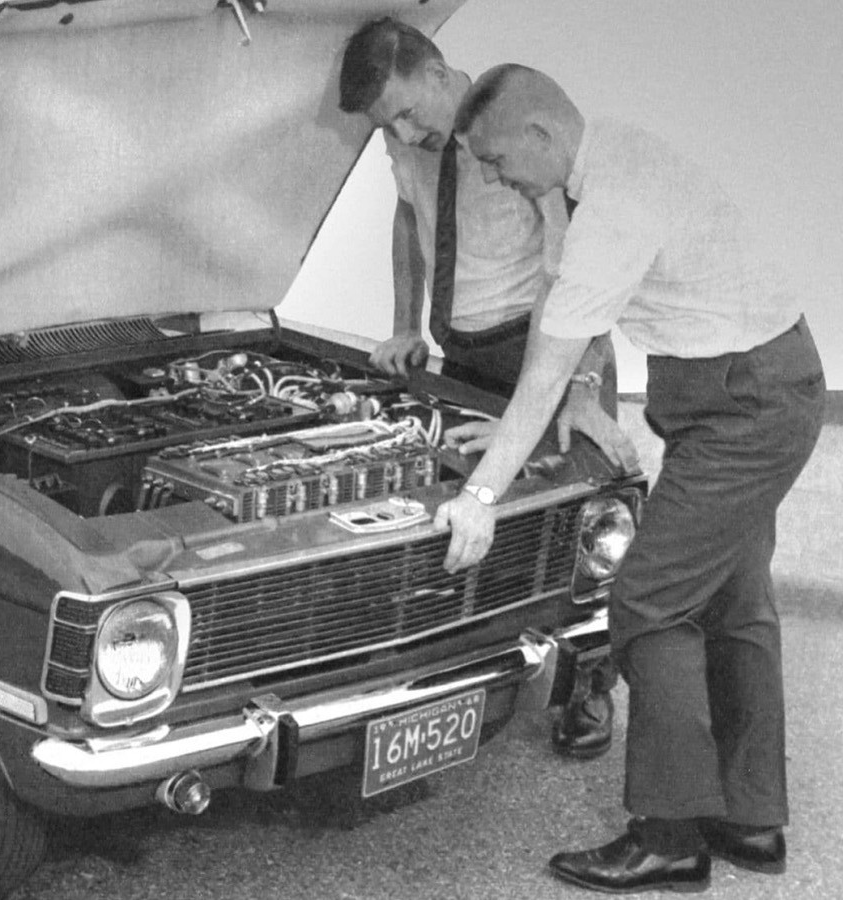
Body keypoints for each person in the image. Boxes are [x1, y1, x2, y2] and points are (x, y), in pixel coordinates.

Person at [439, 64, 824, 893]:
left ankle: (669, 836)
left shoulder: (613, 206)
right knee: (735, 600)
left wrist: (480, 494)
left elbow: (548, 361)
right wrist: (522, 426)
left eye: (497, 160)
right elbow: (560, 305)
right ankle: (751, 820)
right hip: (752, 387)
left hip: (741, 407)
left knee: (649, 601)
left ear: (540, 133)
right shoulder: (602, 160)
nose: (495, 178)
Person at [337, 18, 632, 761]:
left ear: (439, 75)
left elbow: (581, 267)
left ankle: (590, 687)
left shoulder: (506, 132)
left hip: (548, 351)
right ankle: (464, 674)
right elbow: (409, 214)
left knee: (577, 526)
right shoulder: (407, 139)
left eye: (408, 113)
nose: (403, 133)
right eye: (388, 125)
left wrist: (581, 384)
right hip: (466, 353)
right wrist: (405, 324)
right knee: (474, 515)